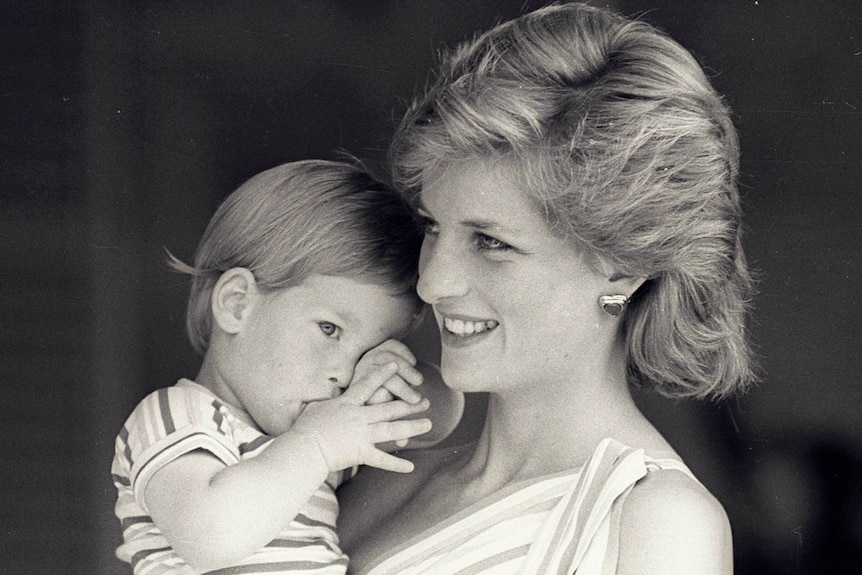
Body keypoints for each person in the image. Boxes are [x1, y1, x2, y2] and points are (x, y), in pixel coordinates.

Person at [337, 3, 757, 574]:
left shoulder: (656, 522)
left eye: (491, 242)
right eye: (433, 226)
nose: (432, 282)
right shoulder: (380, 479)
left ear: (622, 265)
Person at [111, 160, 464, 574]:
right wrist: (316, 446)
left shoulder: (323, 430)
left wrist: (382, 378)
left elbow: (437, 418)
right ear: (238, 303)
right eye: (329, 329)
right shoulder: (176, 417)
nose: (345, 373)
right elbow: (210, 539)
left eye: (368, 351)